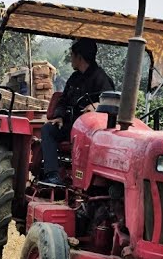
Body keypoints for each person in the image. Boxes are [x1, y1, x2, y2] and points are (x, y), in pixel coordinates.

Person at [40, 38, 115, 186]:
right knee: (48, 129)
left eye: (72, 56)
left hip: (90, 131)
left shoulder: (101, 78)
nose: (70, 60)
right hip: (71, 125)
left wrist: (97, 106)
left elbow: (110, 102)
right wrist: (60, 116)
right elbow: (63, 100)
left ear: (79, 57)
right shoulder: (74, 78)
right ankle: (53, 175)